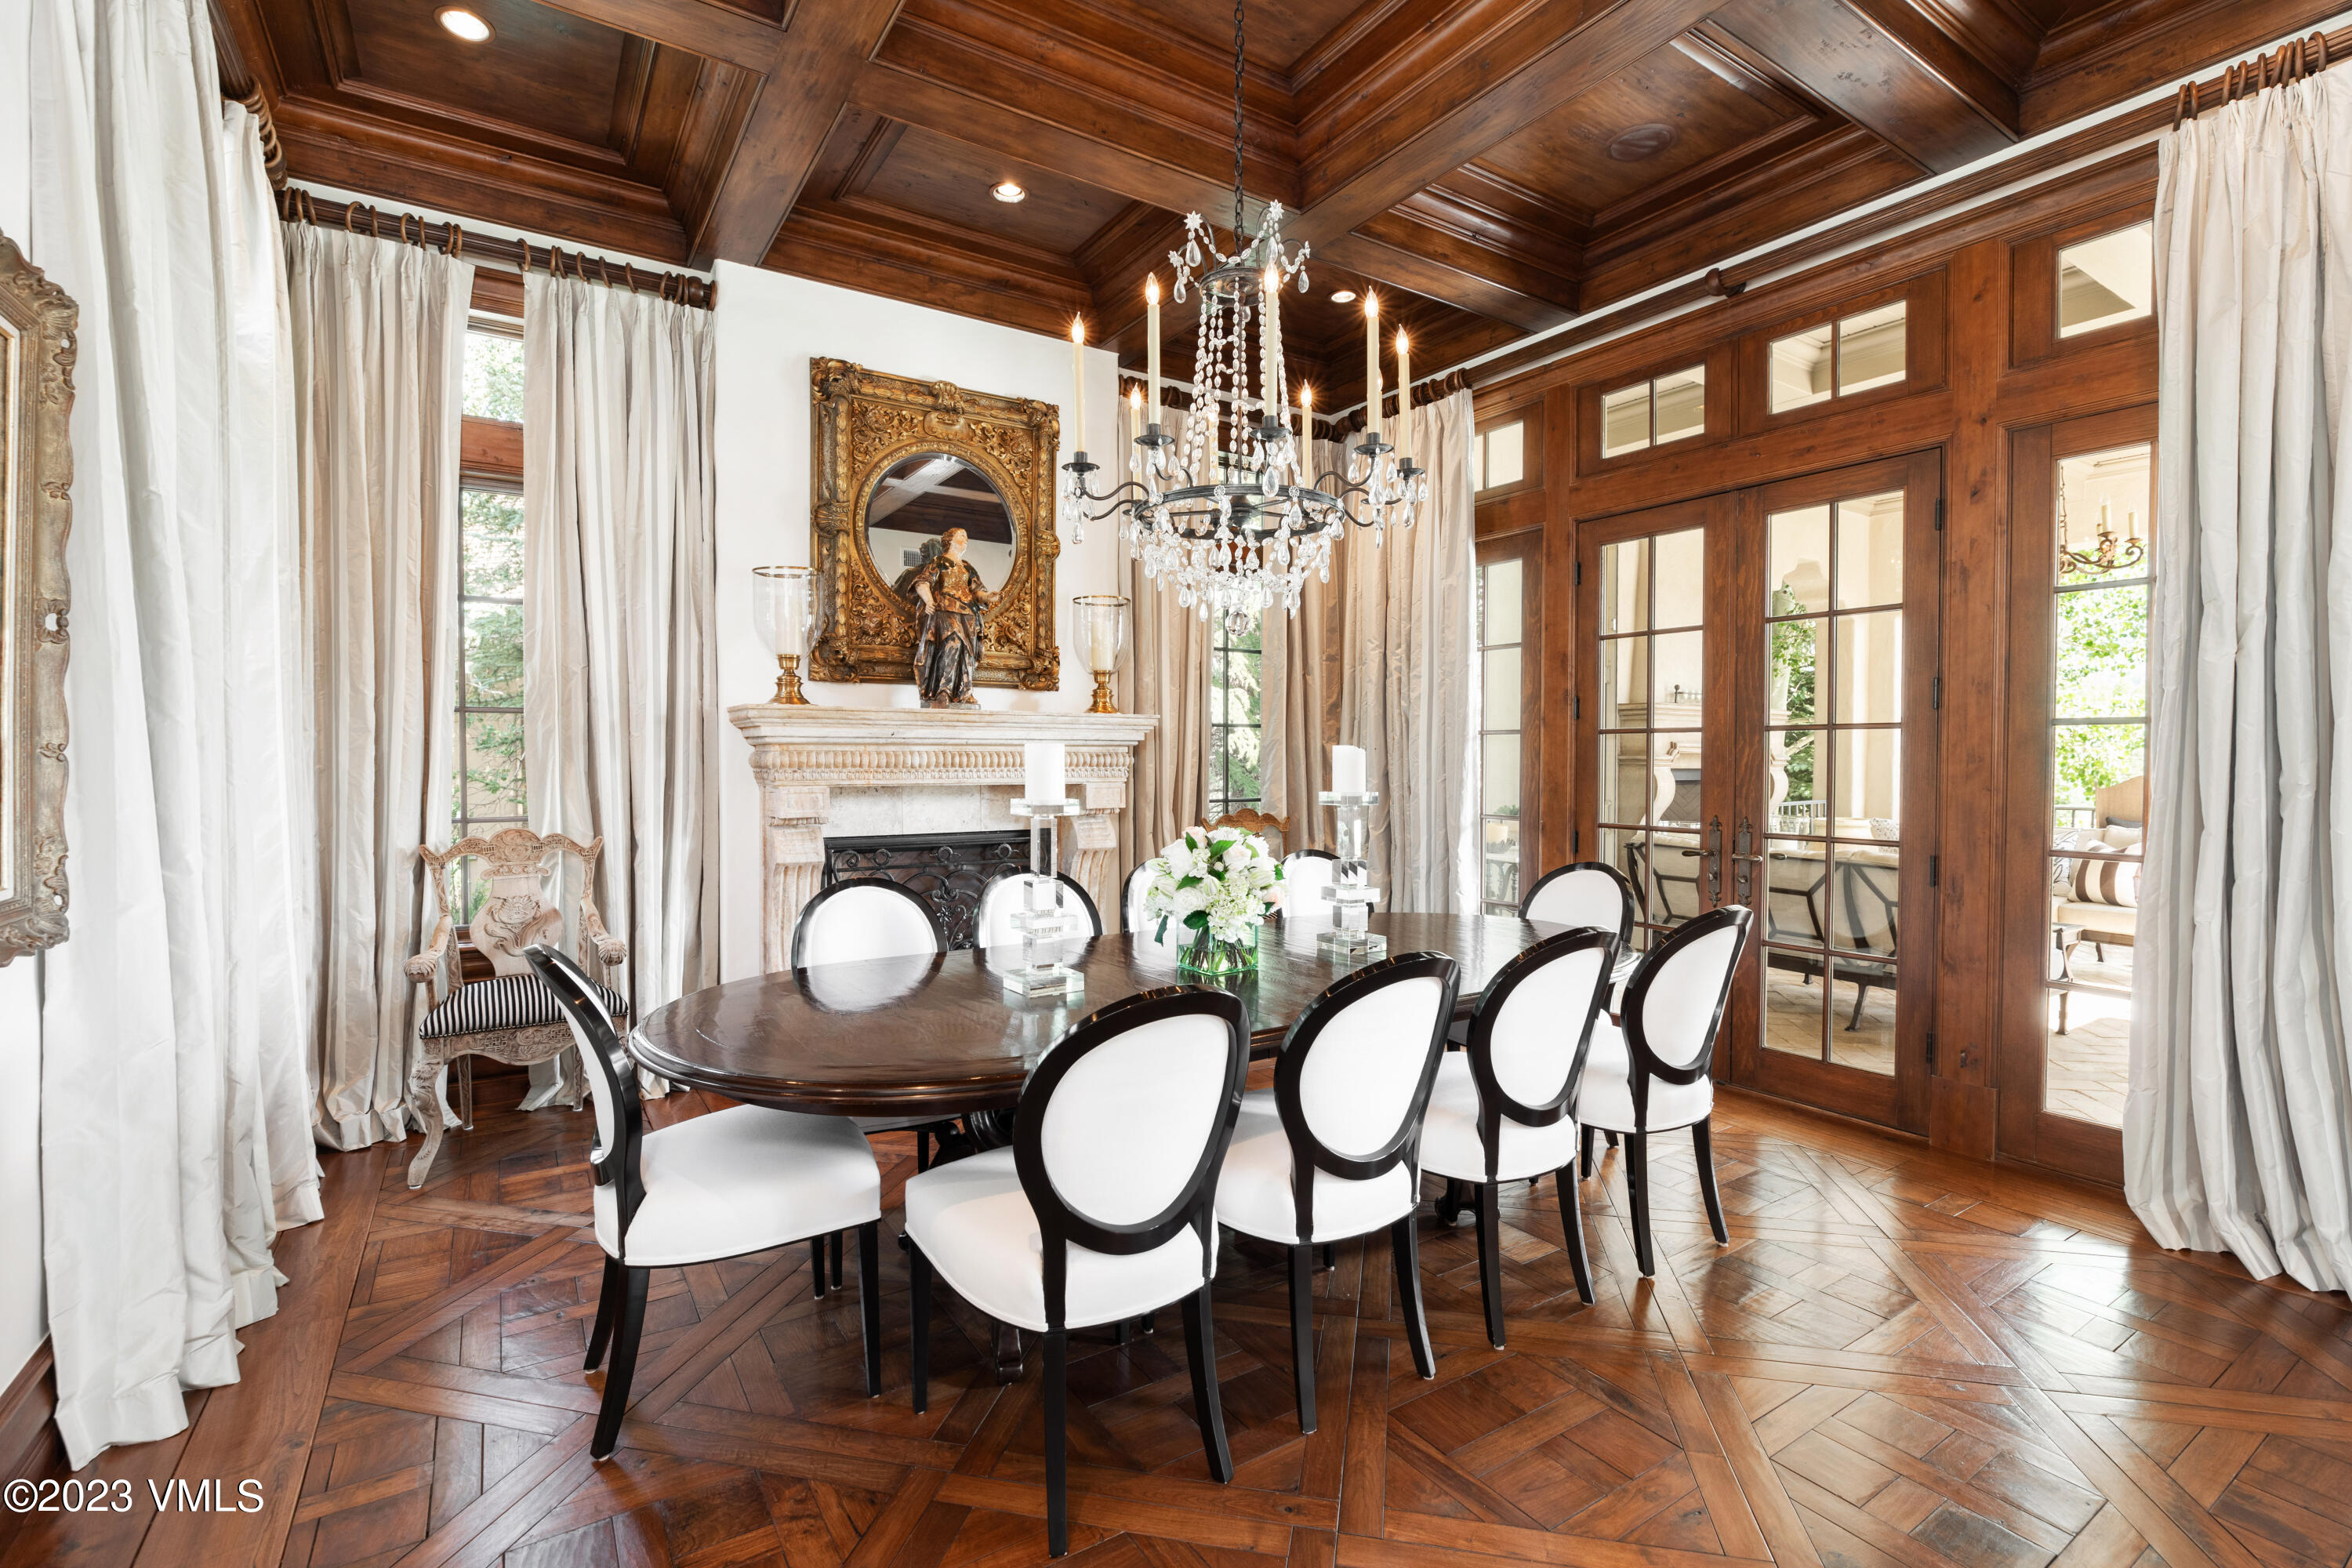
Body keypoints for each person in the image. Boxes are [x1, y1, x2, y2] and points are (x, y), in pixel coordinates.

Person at [906, 527, 996, 706]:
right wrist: (929, 600)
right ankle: (944, 691)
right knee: (952, 644)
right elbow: (923, 582)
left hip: (968, 614)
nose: (966, 539)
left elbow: (977, 592)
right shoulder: (939, 561)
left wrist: (989, 597)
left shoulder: (968, 567)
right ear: (950, 540)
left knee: (967, 653)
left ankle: (964, 691)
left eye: (967, 536)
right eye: (962, 535)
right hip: (946, 609)